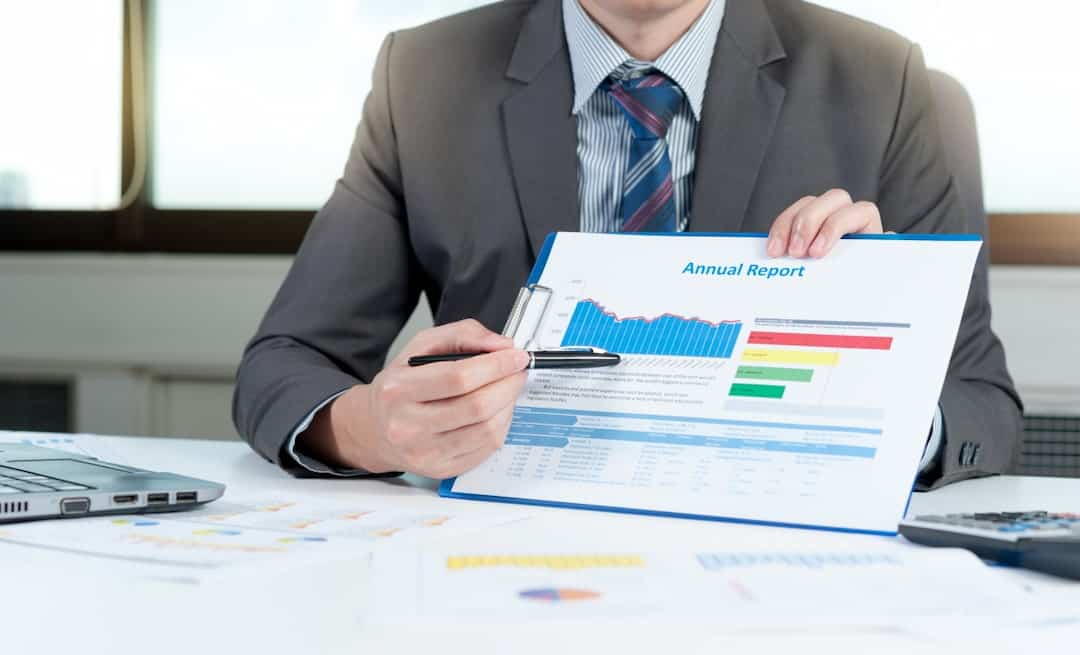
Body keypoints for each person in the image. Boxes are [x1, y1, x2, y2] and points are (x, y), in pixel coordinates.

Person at [233, 0, 1022, 490]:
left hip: (768, 570)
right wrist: (377, 426)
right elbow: (281, 362)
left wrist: (876, 383)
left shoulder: (884, 84)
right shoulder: (425, 77)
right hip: (497, 560)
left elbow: (982, 400)